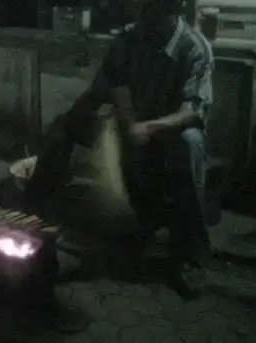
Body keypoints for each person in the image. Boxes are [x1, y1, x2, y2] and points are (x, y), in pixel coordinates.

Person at [64, 0, 214, 299]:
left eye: (151, 9)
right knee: (94, 127)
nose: (141, 16)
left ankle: (190, 256)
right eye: (140, 8)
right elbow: (104, 87)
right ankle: (144, 225)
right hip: (136, 126)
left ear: (173, 12)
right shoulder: (129, 40)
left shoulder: (193, 47)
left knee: (189, 144)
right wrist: (70, 120)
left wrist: (148, 128)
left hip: (174, 131)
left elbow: (194, 109)